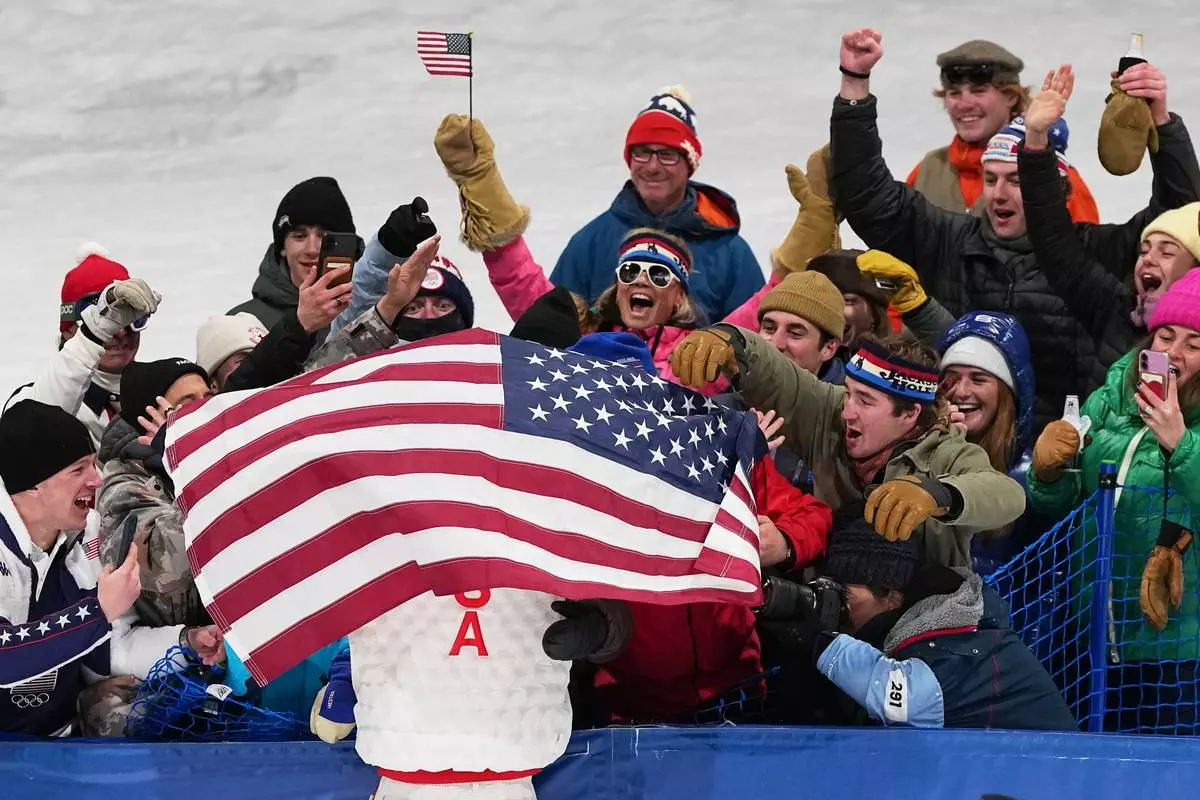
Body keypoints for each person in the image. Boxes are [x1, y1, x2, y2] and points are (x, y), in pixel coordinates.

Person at [831, 28, 1200, 431]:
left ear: (1053, 188)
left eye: (1017, 180)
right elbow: (869, 197)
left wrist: (1161, 120)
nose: (999, 195)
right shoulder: (949, 239)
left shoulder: (1090, 255)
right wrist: (855, 85)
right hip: (957, 436)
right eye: (990, 179)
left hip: (1058, 456)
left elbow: (1181, 218)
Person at [536, 333, 832, 725]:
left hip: (740, 693)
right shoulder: (553, 486)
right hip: (626, 709)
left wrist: (784, 542)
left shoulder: (713, 455)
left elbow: (811, 515)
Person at [432, 114, 788, 393]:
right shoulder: (582, 336)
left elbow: (758, 316)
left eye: (660, 275)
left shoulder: (696, 359)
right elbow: (524, 287)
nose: (642, 280)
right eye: (630, 271)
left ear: (680, 295)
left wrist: (808, 233)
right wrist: (482, 181)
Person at [669, 326, 1027, 568]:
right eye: (849, 392)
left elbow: (1007, 495)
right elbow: (777, 375)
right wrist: (729, 341)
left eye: (866, 401)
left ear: (910, 415)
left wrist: (940, 494)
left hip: (921, 618)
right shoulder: (832, 410)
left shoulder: (946, 451)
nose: (848, 411)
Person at [1027, 270, 1200, 734]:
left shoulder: (1187, 427)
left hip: (1181, 652)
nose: (1173, 354)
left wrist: (1180, 443)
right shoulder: (1113, 394)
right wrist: (1048, 472)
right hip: (1096, 633)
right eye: (1166, 335)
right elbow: (1071, 500)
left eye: (1194, 344)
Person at [806, 515, 1077, 730]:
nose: (840, 604)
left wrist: (818, 641)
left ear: (891, 597)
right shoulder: (916, 625)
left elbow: (900, 701)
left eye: (846, 593)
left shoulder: (954, 641)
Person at [1018, 65, 1200, 370]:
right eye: (1144, 250)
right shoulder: (1117, 311)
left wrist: (1161, 122)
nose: (1149, 259)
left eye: (1167, 252)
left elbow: (1186, 204)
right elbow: (1054, 243)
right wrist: (1036, 138)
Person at [548, 87, 764, 322]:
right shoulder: (591, 241)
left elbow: (756, 338)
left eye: (667, 155)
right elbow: (551, 326)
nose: (652, 167)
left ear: (690, 164)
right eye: (642, 152)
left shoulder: (729, 252)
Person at [0, 400, 142, 736]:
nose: (97, 479)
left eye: (94, 465)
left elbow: (105, 651)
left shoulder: (87, 530)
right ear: (32, 485)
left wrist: (186, 642)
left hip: (61, 736)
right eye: (78, 470)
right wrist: (97, 612)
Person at [905, 39, 1098, 223]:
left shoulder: (1054, 178)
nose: (964, 104)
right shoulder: (927, 171)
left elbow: (1085, 253)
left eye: (978, 91)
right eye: (954, 93)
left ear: (1011, 97)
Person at [96, 359, 216, 632]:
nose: (204, 409)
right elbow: (171, 564)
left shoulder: (214, 453)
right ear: (148, 420)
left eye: (208, 397)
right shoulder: (122, 486)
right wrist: (194, 463)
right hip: (178, 656)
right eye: (188, 403)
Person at [6, 248, 161, 445]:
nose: (120, 333)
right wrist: (91, 337)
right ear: (68, 330)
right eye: (105, 323)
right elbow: (34, 432)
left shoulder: (162, 393)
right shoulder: (28, 402)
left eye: (132, 319)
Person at [937, 312, 1039, 574]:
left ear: (1007, 394)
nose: (960, 391)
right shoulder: (917, 454)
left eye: (978, 379)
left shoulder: (1034, 479)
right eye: (952, 377)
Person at [230, 176, 358, 328]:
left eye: (325, 238)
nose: (311, 249)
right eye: (299, 236)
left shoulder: (378, 312)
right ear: (282, 247)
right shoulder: (243, 326)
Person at [806, 250, 895, 346]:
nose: (830, 309)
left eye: (846, 300)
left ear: (875, 313)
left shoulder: (894, 359)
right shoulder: (795, 355)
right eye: (819, 299)